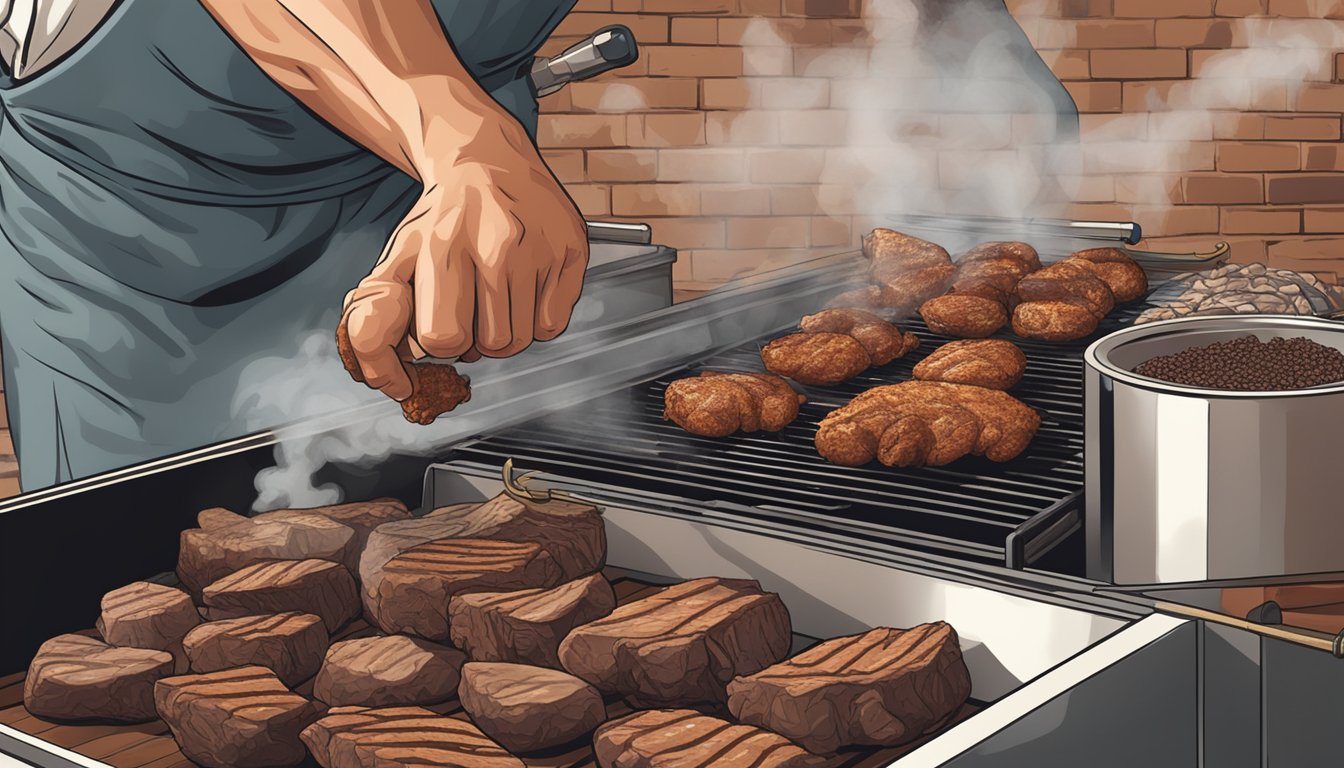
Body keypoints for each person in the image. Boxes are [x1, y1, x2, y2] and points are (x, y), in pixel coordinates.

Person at [0, 0, 587, 492]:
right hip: (153, 212)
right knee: (152, 568)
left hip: (445, 172)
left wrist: (469, 145)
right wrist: (461, 137)